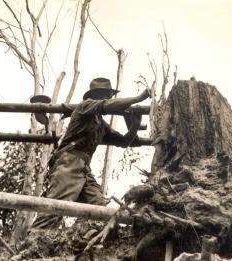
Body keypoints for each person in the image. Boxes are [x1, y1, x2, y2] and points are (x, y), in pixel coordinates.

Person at [31, 77, 150, 229]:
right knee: (53, 210)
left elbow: (123, 142)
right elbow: (105, 106)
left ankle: (93, 244)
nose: (108, 98)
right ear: (95, 95)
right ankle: (30, 246)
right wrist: (138, 98)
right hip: (69, 162)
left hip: (84, 168)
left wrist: (135, 126)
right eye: (105, 95)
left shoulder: (100, 123)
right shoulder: (84, 106)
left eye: (109, 95)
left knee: (100, 209)